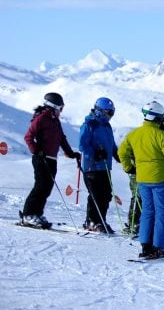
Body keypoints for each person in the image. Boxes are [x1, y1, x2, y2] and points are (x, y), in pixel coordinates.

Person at [118, 101, 164, 259]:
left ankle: (145, 245)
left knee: (147, 211)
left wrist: (129, 168)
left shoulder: (134, 134)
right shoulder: (161, 135)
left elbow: (122, 152)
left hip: (142, 178)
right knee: (162, 213)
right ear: (159, 117)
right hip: (159, 179)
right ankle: (159, 247)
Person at [20, 92, 81, 228]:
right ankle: (28, 215)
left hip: (52, 159)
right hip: (41, 158)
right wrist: (36, 151)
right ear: (53, 106)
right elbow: (28, 137)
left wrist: (71, 154)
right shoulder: (42, 118)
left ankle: (37, 213)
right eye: (60, 108)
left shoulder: (55, 120)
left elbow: (61, 138)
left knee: (47, 188)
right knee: (40, 187)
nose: (61, 111)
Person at [125, 110, 164, 235]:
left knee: (149, 204)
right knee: (139, 197)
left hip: (149, 173)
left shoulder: (158, 132)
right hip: (142, 172)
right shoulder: (157, 133)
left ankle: (145, 229)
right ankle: (134, 223)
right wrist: (131, 166)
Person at [78, 97, 118, 233]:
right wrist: (95, 153)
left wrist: (118, 155)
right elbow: (82, 145)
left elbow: (111, 144)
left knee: (106, 195)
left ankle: (101, 220)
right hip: (92, 167)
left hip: (105, 166)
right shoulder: (89, 124)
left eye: (112, 113)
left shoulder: (107, 126)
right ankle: (91, 221)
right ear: (99, 110)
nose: (110, 116)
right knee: (95, 195)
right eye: (109, 112)